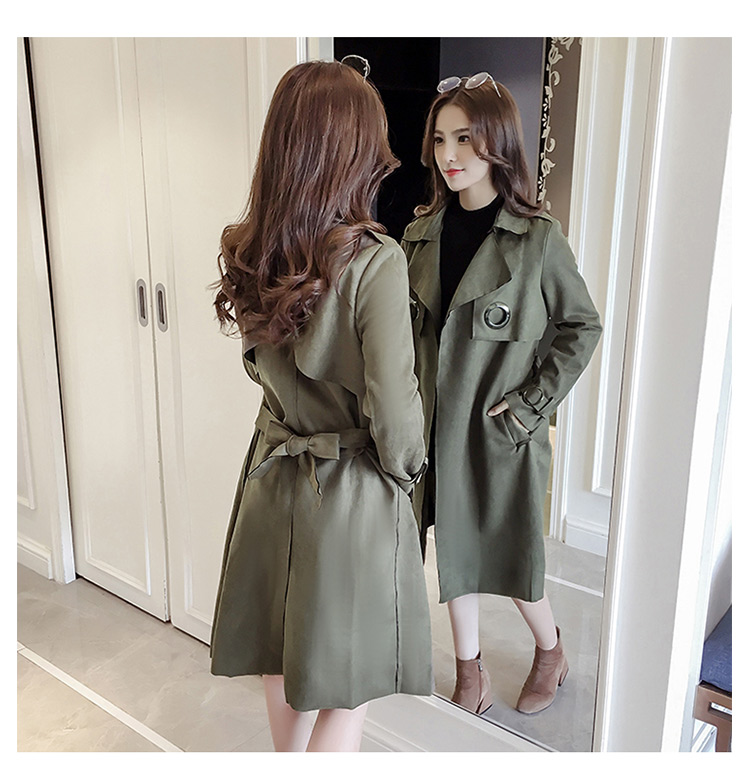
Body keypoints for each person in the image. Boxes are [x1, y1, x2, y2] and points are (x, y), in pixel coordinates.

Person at [209, 58, 432, 752]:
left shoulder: (253, 248)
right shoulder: (376, 261)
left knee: (283, 651)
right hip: (349, 492)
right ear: (352, 150)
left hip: (270, 476)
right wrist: (408, 476)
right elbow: (395, 408)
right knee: (347, 680)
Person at [402, 73, 602, 716]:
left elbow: (582, 326)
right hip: (432, 429)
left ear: (497, 141)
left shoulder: (537, 239)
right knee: (452, 554)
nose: (449, 154)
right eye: (439, 139)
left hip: (498, 432)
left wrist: (530, 405)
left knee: (513, 559)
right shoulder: (419, 237)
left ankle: (551, 650)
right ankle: (471, 670)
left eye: (464, 138)